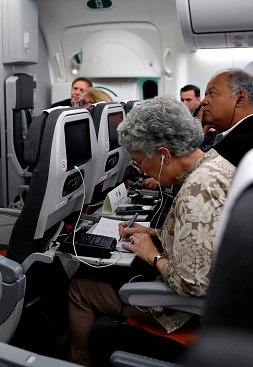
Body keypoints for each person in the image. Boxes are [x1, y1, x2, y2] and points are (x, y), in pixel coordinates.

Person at [68, 95, 236, 366]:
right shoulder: (213, 164)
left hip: (186, 312)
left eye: (138, 161)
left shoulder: (198, 190)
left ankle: (80, 361)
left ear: (163, 155)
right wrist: (154, 234)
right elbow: (203, 234)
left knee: (80, 287)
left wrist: (151, 255)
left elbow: (192, 283)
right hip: (221, 300)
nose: (139, 169)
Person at [199, 68, 253, 166]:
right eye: (206, 95)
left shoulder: (244, 143)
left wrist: (195, 135)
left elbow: (199, 172)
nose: (203, 101)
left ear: (240, 99)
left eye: (212, 93)